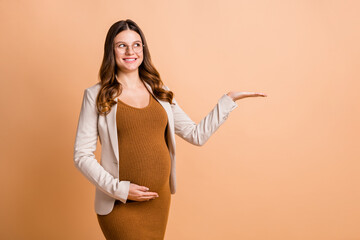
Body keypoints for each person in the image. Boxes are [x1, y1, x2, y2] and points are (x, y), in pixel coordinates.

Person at [73, 19, 267, 240]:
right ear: (111, 50)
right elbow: (82, 155)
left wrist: (228, 100)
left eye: (137, 45)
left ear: (143, 49)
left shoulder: (160, 92)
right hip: (119, 204)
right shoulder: (96, 95)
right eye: (122, 45)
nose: (131, 51)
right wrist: (121, 189)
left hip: (158, 202)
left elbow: (196, 135)